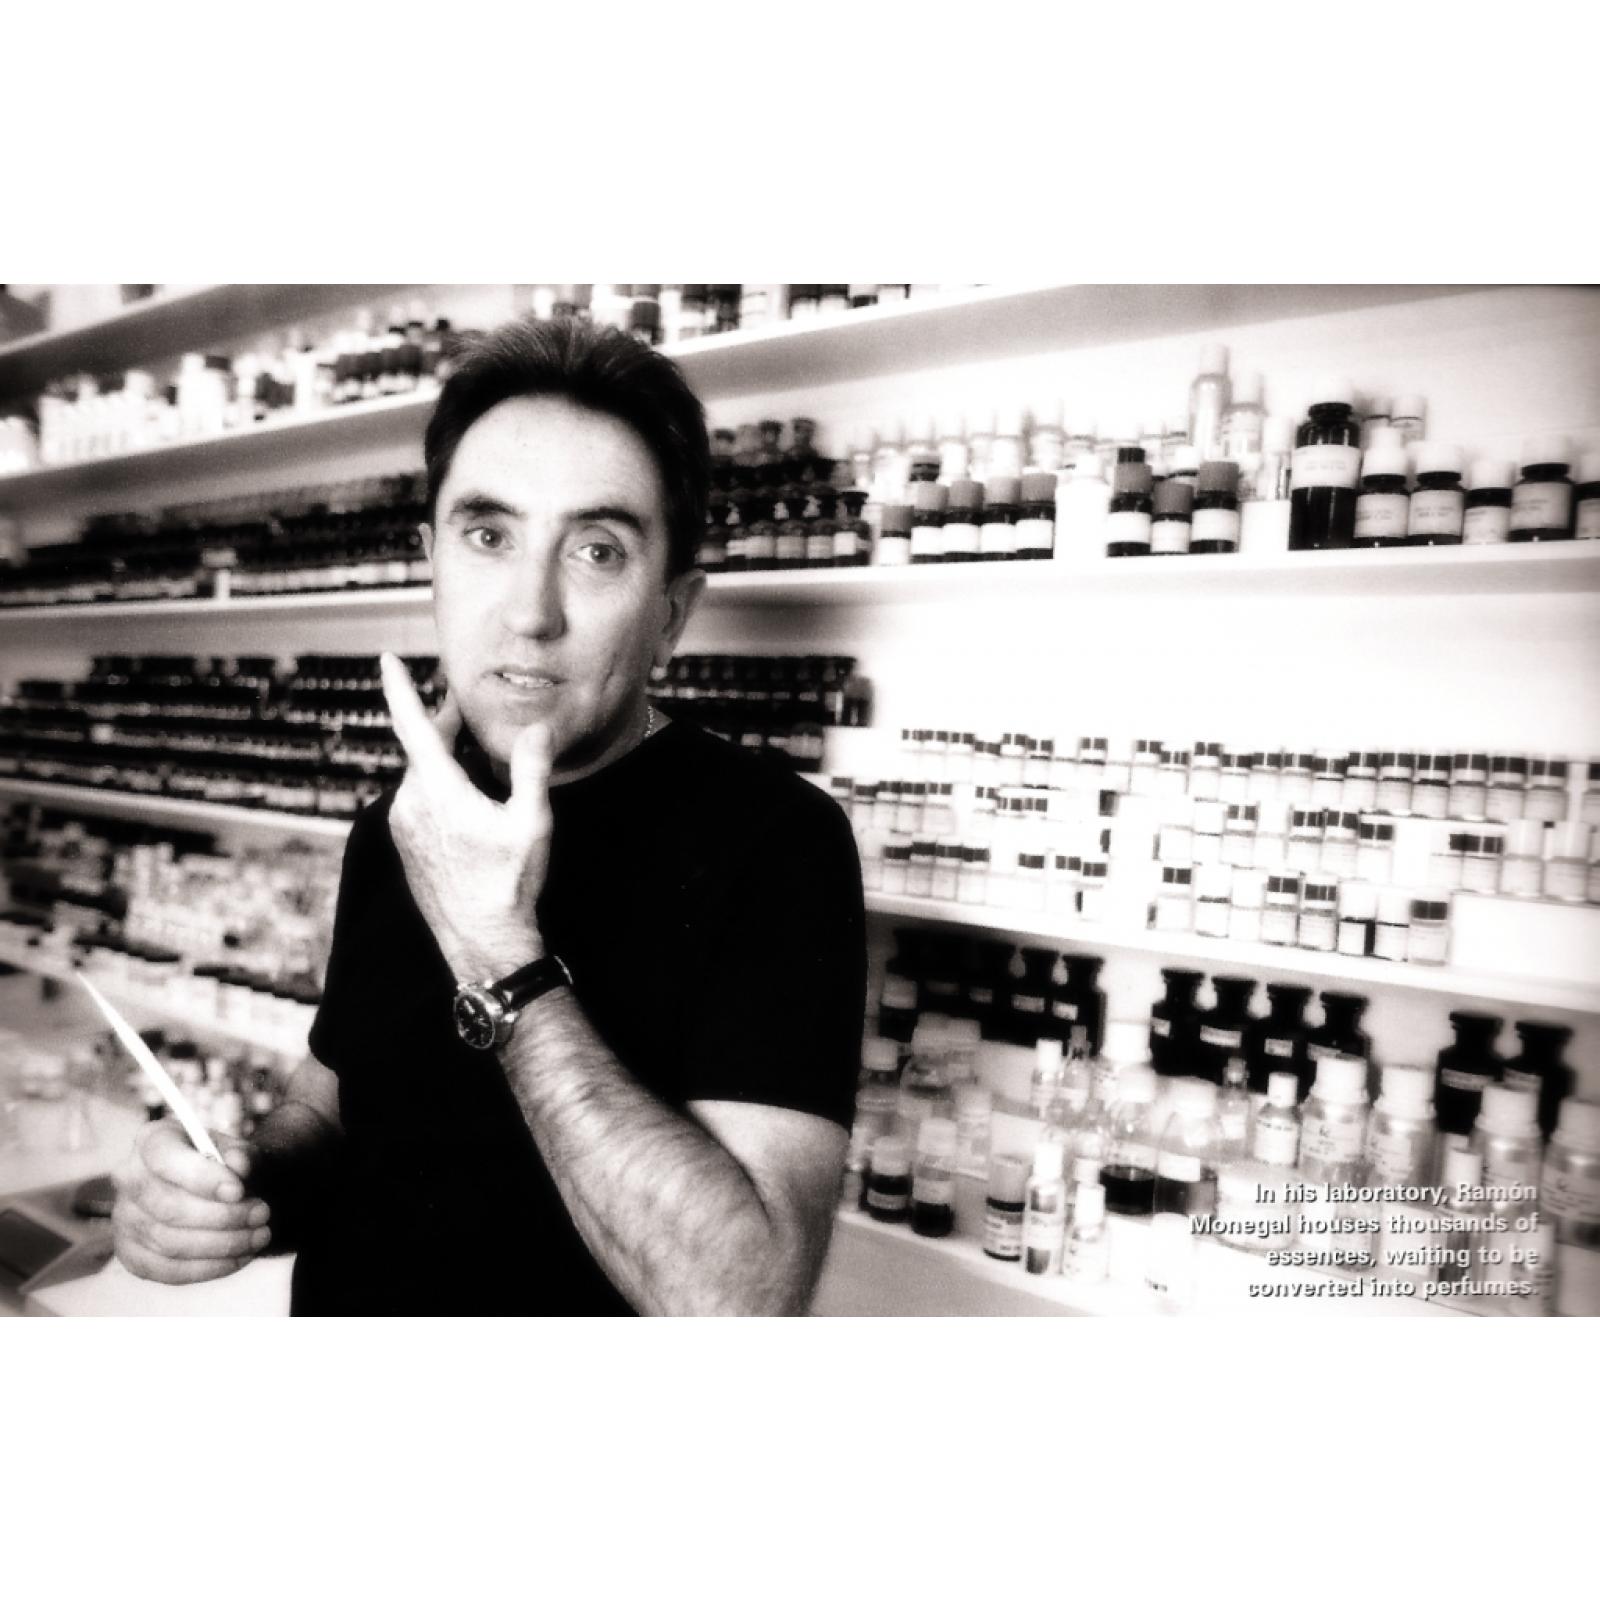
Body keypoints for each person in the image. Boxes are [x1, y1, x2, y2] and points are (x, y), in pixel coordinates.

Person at [111, 316, 867, 1314]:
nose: (528, 612)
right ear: (431, 560)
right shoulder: (403, 819)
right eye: (488, 536)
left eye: (596, 550)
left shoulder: (779, 842)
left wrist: (496, 951)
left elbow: (741, 1297)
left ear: (671, 615)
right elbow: (330, 1114)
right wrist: (236, 1190)